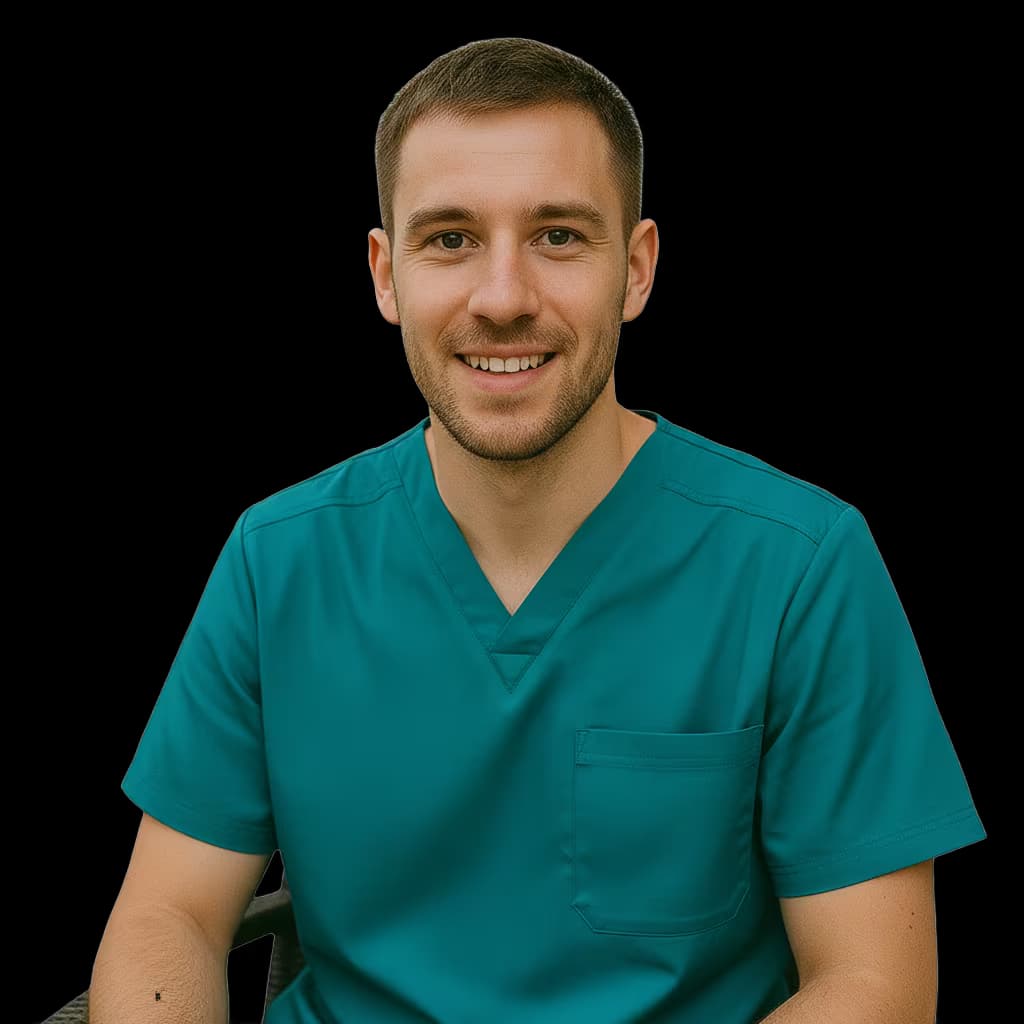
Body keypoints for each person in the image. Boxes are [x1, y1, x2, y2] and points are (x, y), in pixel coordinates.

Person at [93, 37, 985, 1023]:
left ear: (635, 270)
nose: (504, 296)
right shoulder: (278, 559)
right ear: (385, 277)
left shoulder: (799, 568)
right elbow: (167, 911)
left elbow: (875, 984)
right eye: (449, 238)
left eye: (558, 235)